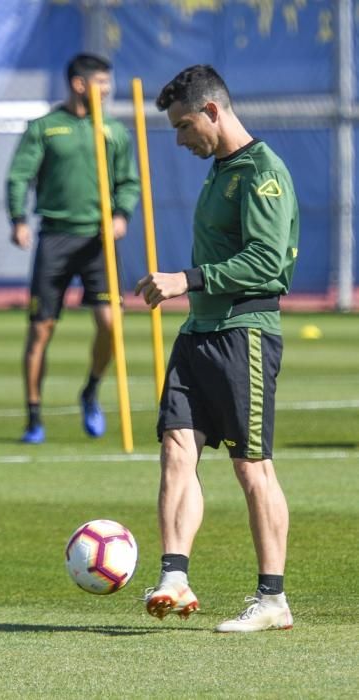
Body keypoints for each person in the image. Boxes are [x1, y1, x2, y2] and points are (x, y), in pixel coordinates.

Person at [135, 65, 299, 632]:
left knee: (251, 466)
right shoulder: (220, 170)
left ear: (212, 112)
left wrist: (188, 278)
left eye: (183, 127)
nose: (180, 140)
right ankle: (174, 577)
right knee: (178, 447)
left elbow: (269, 263)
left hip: (243, 334)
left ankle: (273, 599)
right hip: (199, 333)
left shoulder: (262, 173)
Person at [6, 53, 140, 444]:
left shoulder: (114, 131)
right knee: (40, 330)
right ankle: (33, 416)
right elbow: (19, 176)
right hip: (55, 238)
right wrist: (17, 219)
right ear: (79, 84)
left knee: (110, 325)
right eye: (100, 82)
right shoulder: (46, 128)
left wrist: (121, 215)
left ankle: (91, 390)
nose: (107, 89)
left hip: (99, 240)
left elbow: (128, 182)